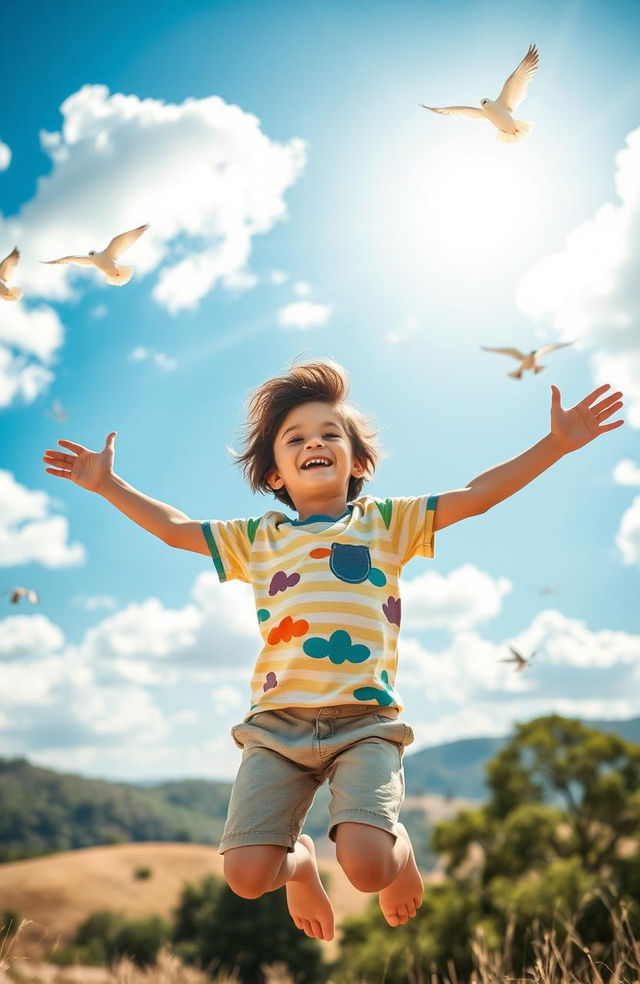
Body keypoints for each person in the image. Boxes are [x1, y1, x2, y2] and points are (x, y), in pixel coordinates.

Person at [42, 359, 624, 942]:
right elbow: (175, 527)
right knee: (246, 877)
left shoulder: (386, 524)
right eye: (295, 438)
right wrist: (107, 484)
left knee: (368, 867)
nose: (314, 442)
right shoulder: (257, 538)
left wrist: (555, 445)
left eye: (329, 434)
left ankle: (396, 847)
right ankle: (299, 864)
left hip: (365, 725)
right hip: (275, 730)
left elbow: (476, 496)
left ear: (358, 462)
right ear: (274, 475)